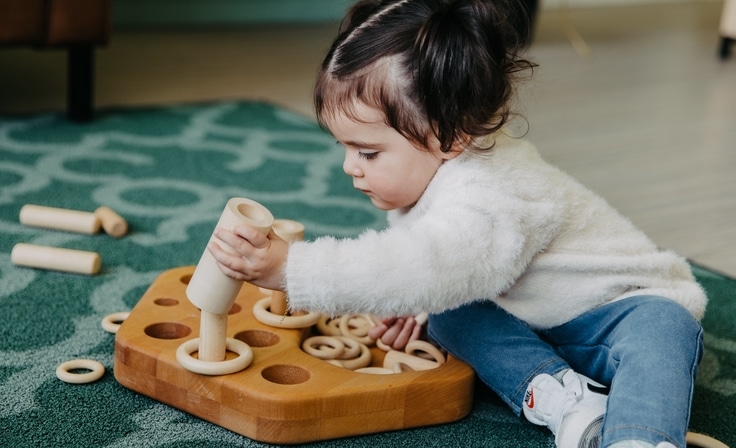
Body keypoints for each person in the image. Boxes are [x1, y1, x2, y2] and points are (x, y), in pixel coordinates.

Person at [207, 1, 707, 447]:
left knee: (662, 334)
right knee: (450, 314)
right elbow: (434, 266)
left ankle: (640, 436)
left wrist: (295, 270)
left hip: (623, 308)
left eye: (367, 152)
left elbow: (424, 262)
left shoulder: (493, 190)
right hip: (534, 318)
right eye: (345, 147)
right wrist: (422, 301)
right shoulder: (428, 171)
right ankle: (565, 399)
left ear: (453, 135)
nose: (349, 167)